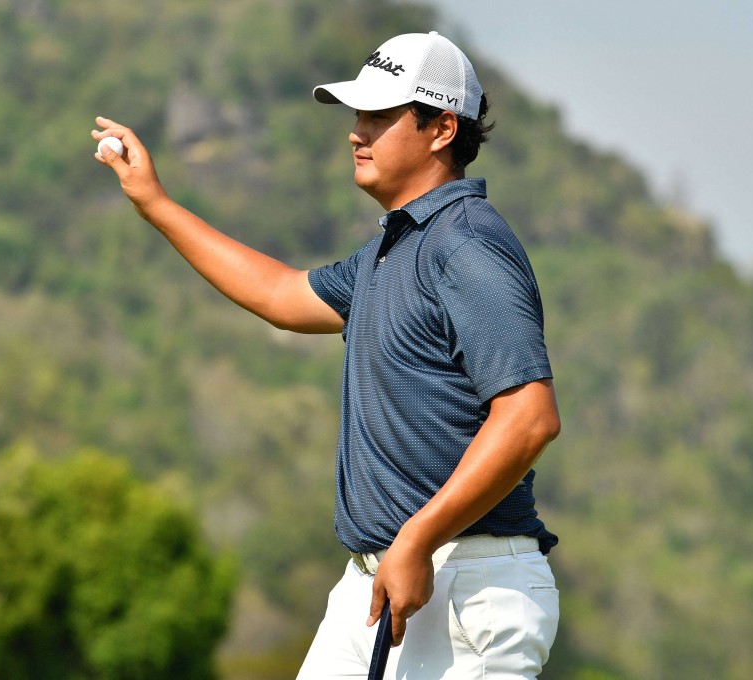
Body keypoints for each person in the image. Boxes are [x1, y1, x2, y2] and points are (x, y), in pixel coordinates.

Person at [94, 30, 561, 679]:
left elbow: (529, 418)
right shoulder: (391, 252)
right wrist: (156, 203)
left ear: (440, 129)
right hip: (383, 577)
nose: (355, 132)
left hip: (467, 587)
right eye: (356, 115)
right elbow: (283, 294)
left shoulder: (467, 245)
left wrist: (417, 539)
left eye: (378, 115)